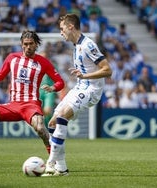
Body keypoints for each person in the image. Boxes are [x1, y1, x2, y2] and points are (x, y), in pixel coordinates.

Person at [0, 30, 65, 165]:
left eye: (31, 44)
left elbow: (60, 82)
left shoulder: (43, 62)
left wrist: (53, 88)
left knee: (40, 128)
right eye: (25, 44)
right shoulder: (12, 58)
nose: (28, 47)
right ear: (21, 44)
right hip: (13, 105)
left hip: (31, 105)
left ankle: (54, 160)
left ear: (36, 45)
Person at [42, 13, 112, 176]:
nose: (61, 32)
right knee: (52, 123)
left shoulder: (88, 45)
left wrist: (84, 76)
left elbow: (108, 70)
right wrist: (82, 76)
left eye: (62, 28)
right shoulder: (76, 46)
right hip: (81, 87)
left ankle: (50, 163)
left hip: (91, 90)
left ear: (71, 27)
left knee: (63, 116)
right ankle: (62, 168)